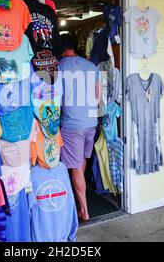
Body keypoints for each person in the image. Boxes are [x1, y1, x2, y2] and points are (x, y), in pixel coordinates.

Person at [59, 34, 101, 221]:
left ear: (62, 48)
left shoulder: (60, 66)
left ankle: (83, 209)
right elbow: (98, 98)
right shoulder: (92, 66)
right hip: (90, 123)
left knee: (75, 167)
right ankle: (80, 190)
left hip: (72, 124)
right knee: (81, 161)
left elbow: (56, 97)